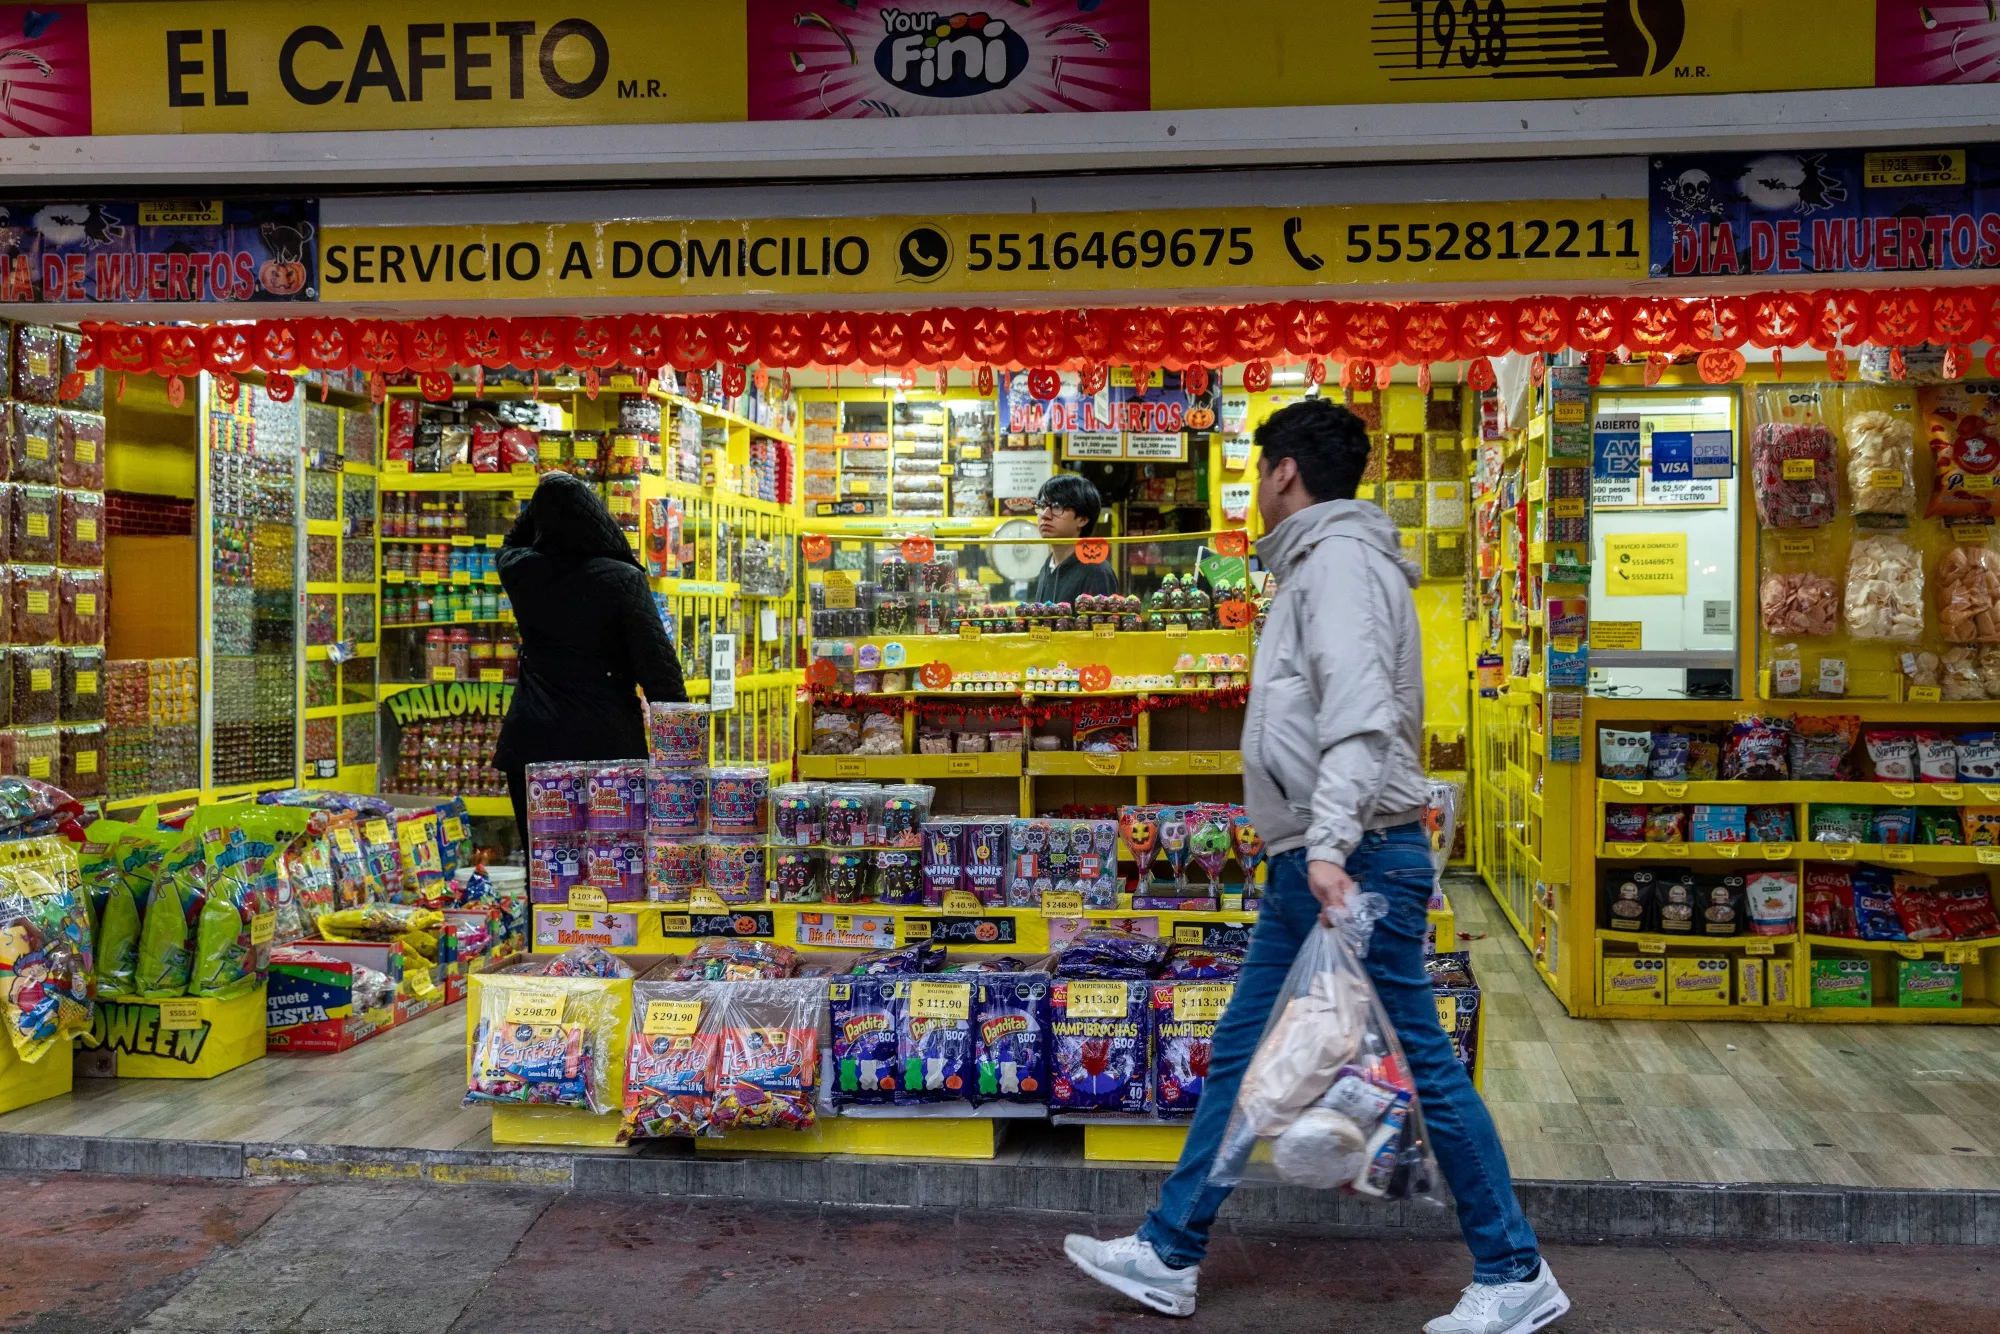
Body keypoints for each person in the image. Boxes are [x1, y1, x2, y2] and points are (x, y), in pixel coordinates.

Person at [1065, 398, 1567, 1334]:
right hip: (1317, 858)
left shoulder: (1337, 564)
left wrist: (1331, 848)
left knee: (1423, 1060)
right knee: (1244, 1057)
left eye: (1258, 474)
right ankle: (1170, 1251)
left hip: (1356, 857)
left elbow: (1362, 719)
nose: (1257, 492)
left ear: (1284, 472)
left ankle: (1513, 1267)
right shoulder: (1318, 567)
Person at [493, 472, 687, 849]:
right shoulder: (622, 579)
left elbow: (510, 542)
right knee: (614, 859)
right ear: (598, 516)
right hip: (607, 745)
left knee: (546, 867)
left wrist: (543, 497)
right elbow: (659, 670)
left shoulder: (521, 570)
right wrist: (680, 755)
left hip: (533, 742)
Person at [1028, 472, 1120, 604]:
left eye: (1057, 507)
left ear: (1082, 519)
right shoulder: (1048, 566)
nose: (1045, 515)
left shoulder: (1096, 571)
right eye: (1042, 506)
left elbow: (1102, 624)